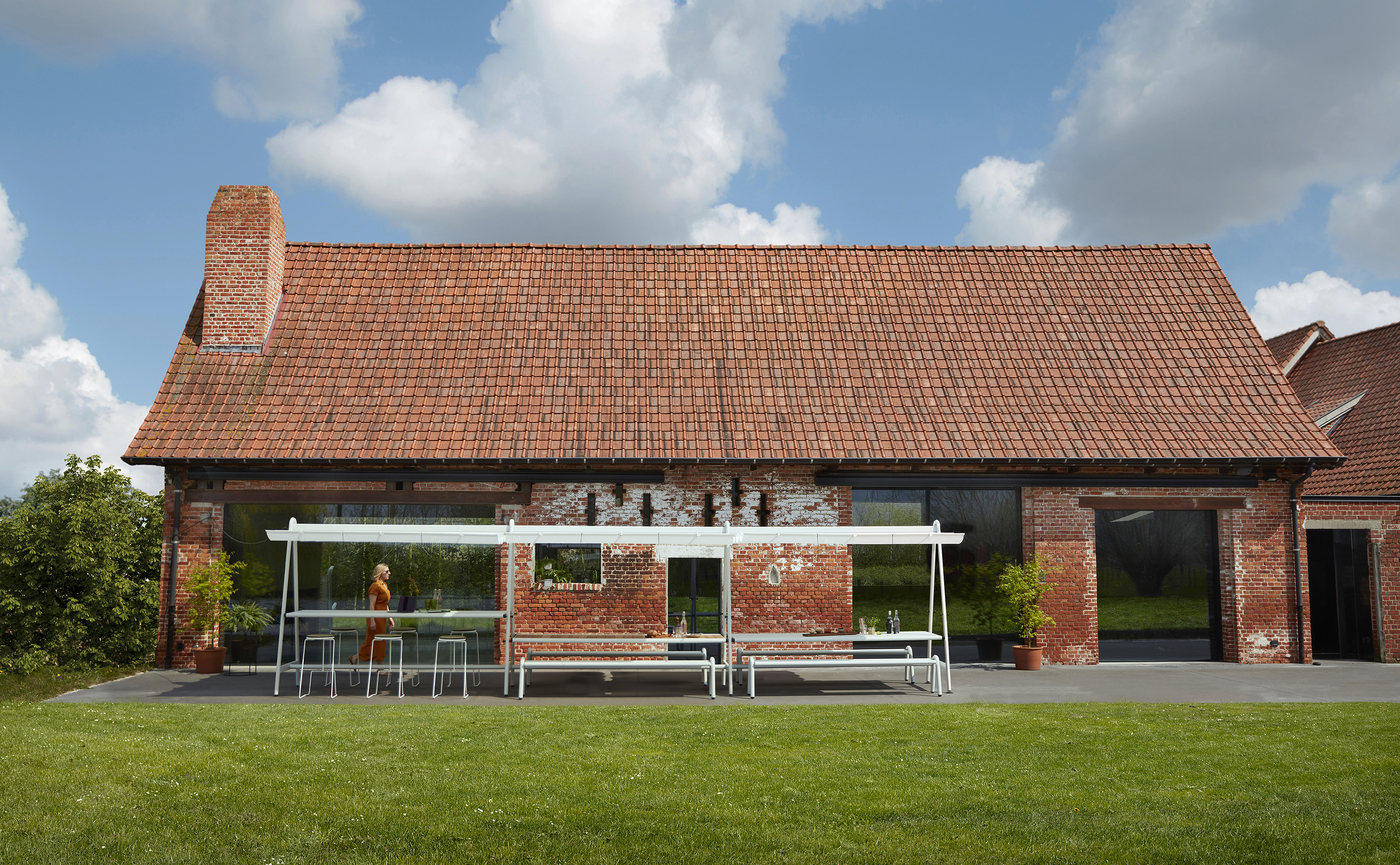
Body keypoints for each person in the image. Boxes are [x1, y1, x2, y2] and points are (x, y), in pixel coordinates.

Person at [349, 563, 395, 665]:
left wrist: (389, 617)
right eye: (386, 571)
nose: (389, 573)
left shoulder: (384, 585)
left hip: (382, 616)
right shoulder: (375, 586)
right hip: (376, 616)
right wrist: (372, 620)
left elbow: (385, 603)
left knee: (376, 641)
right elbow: (372, 605)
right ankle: (380, 667)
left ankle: (356, 657)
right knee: (377, 641)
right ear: (380, 573)